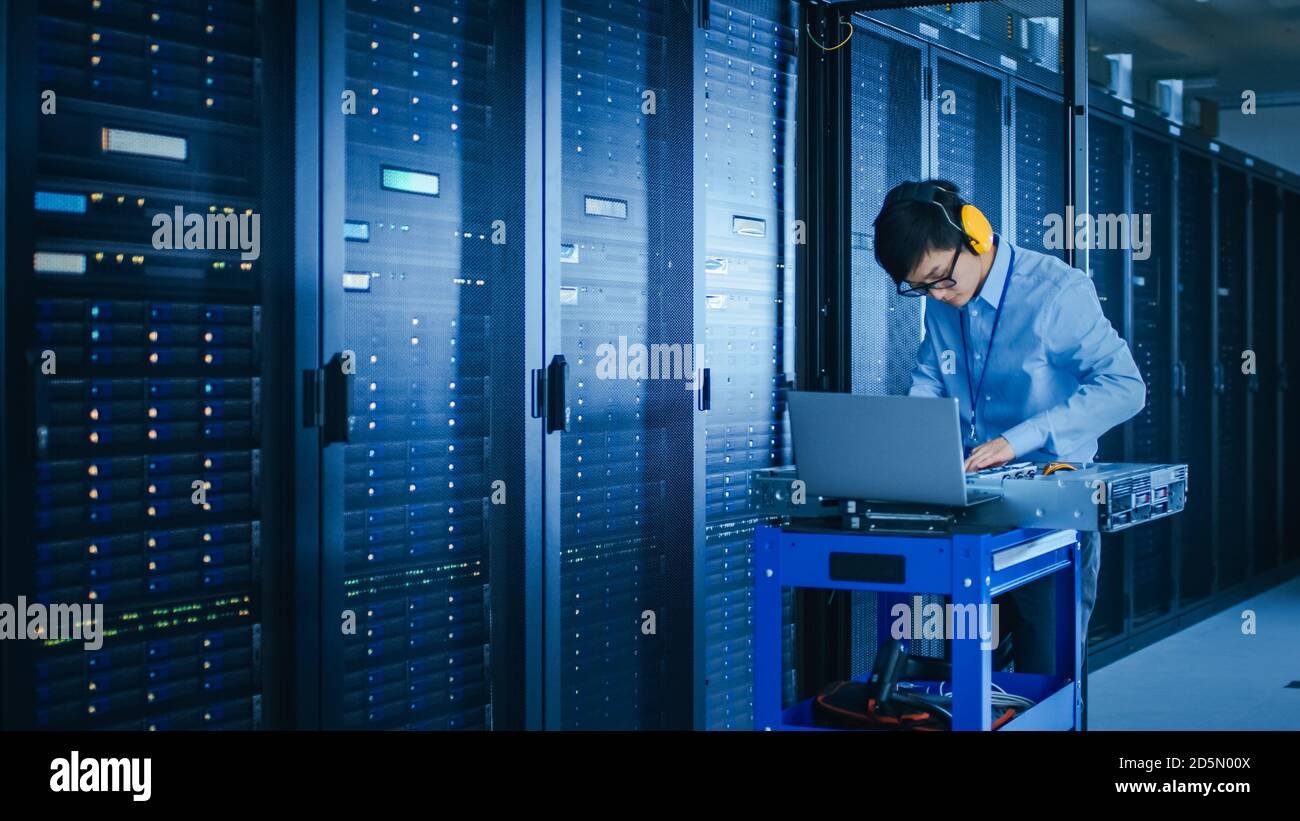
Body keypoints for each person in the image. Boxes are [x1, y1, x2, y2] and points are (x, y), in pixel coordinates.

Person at [872, 179, 1146, 674]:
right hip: (973, 506)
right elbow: (932, 377)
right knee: (971, 673)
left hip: (1053, 506)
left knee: (1048, 673)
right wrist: (909, 444)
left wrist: (1018, 438)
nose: (937, 295)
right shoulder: (943, 296)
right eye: (921, 287)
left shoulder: (1058, 292)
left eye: (939, 277)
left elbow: (1125, 386)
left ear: (973, 235)